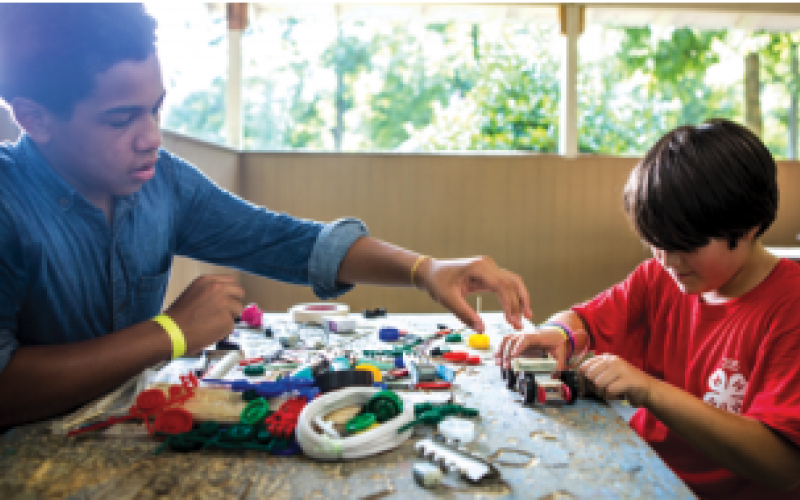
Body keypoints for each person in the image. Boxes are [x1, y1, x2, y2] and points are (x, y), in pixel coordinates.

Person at [0, 3, 533, 429]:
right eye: (120, 120)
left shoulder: (163, 182)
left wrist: (424, 270)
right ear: (34, 118)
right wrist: (170, 333)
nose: (151, 137)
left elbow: (287, 242)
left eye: (156, 108)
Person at [496, 119, 800, 498]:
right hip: (643, 472)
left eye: (685, 246)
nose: (670, 261)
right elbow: (586, 320)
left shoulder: (790, 309)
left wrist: (650, 391)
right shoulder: (661, 278)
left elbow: (783, 466)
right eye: (656, 244)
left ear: (750, 225)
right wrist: (558, 335)